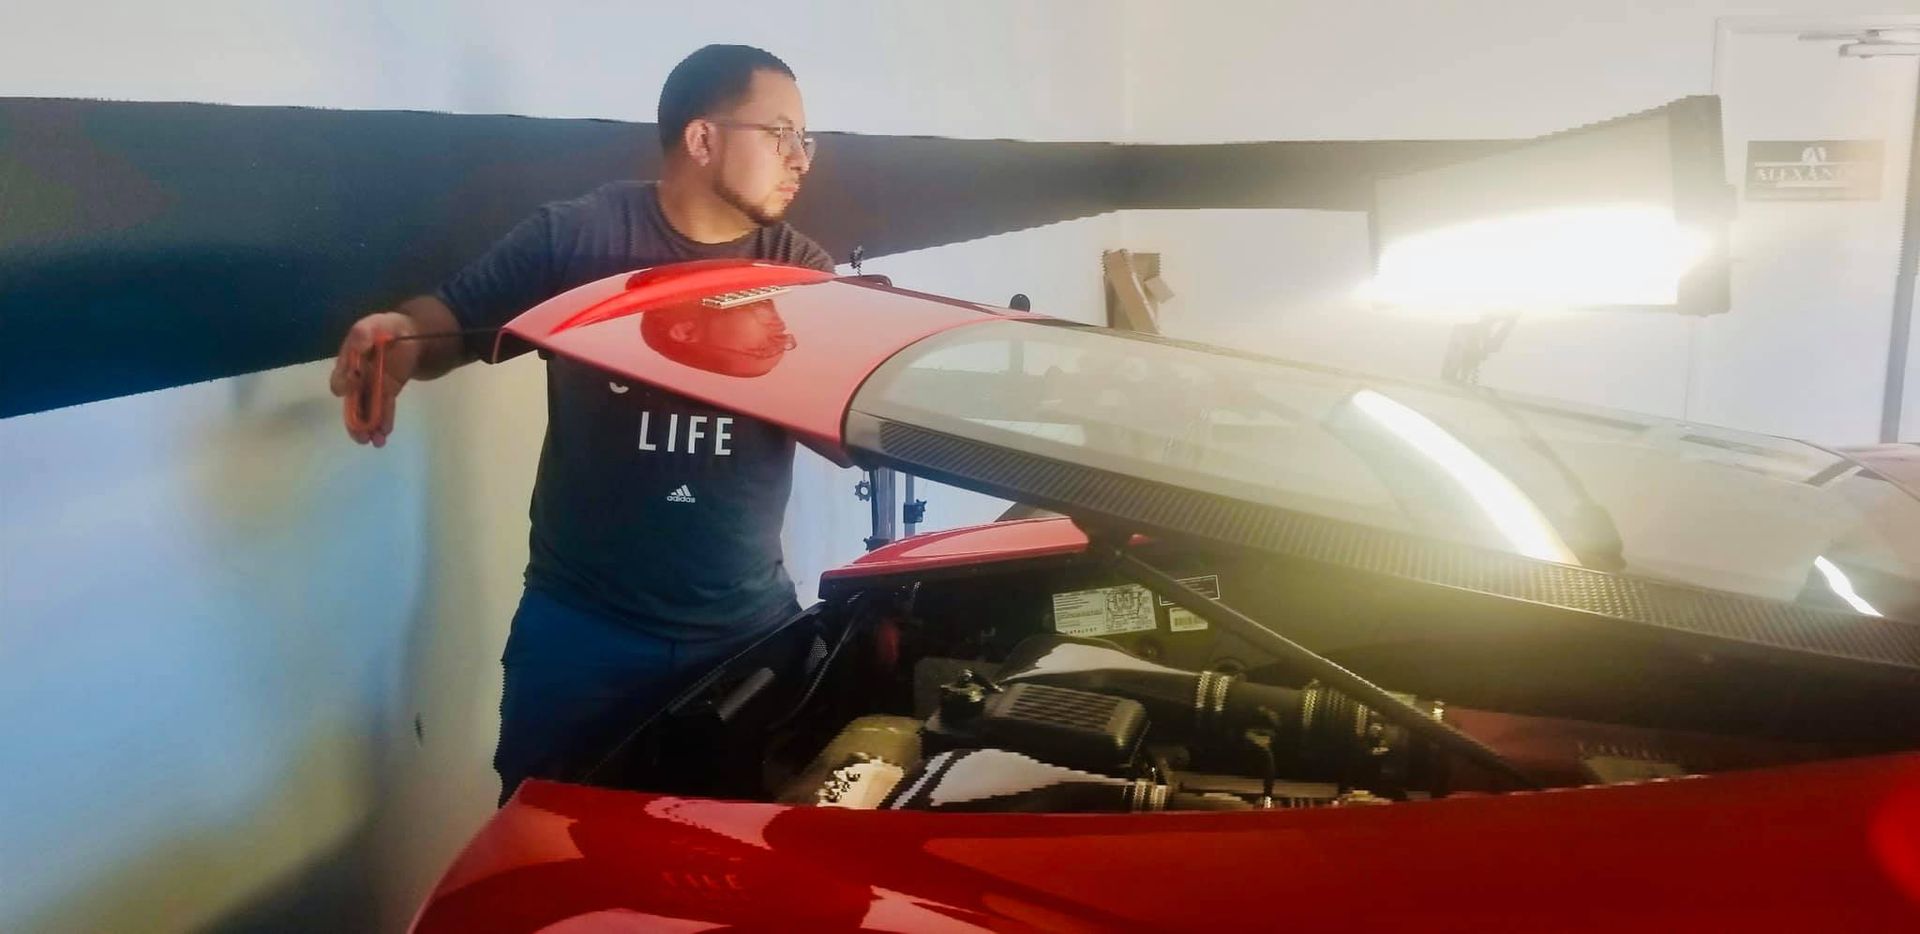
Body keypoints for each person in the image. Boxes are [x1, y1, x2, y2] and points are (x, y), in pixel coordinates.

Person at [327, 44, 833, 802]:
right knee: (545, 842)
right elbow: (455, 321)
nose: (800, 160)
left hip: (746, 632)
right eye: (781, 134)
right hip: (583, 633)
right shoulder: (579, 238)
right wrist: (397, 339)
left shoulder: (803, 273)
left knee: (730, 854)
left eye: (805, 141)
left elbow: (843, 426)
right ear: (703, 139)